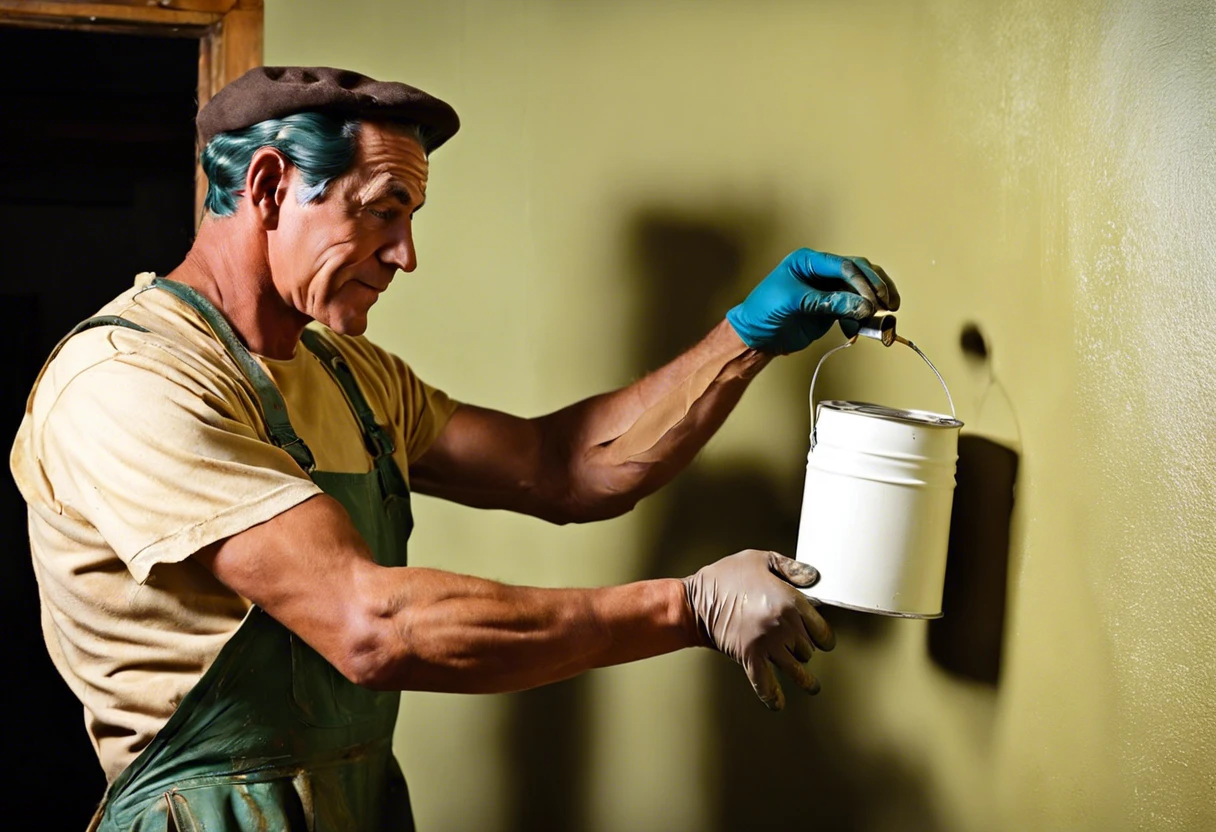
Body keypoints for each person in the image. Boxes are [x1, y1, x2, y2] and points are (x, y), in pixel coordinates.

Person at [10, 66, 899, 830]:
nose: (406, 254)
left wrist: (746, 336)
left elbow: (566, 467)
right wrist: (688, 608)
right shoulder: (130, 380)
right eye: (383, 212)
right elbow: (372, 625)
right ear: (272, 186)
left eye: (413, 215)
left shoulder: (351, 376)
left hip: (355, 802)